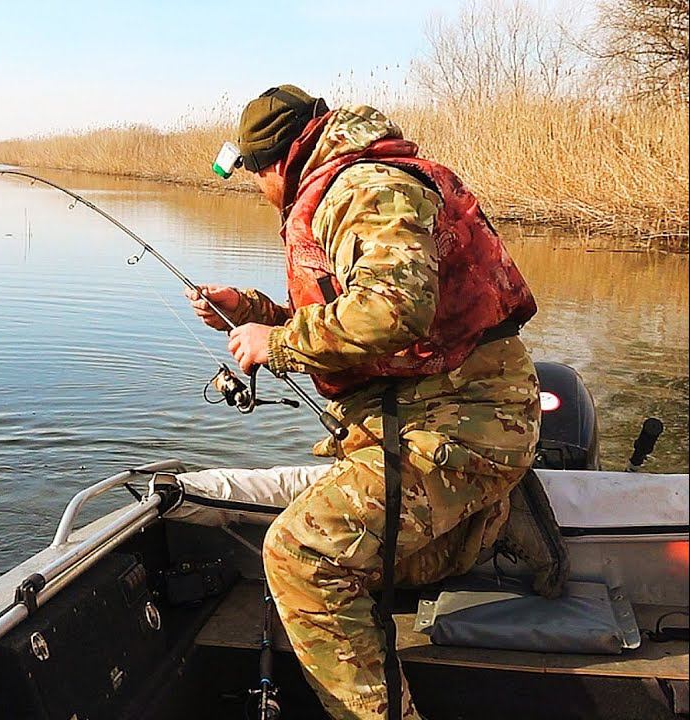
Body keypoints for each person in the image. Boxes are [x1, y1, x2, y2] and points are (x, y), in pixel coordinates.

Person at [165, 85, 568, 720]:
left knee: (301, 554)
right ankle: (489, 519)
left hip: (462, 420)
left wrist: (280, 342)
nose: (261, 192)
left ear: (274, 164)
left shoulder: (362, 189)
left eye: (254, 177)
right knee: (373, 560)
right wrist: (255, 314)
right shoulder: (348, 182)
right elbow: (358, 321)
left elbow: (392, 312)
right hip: (437, 411)